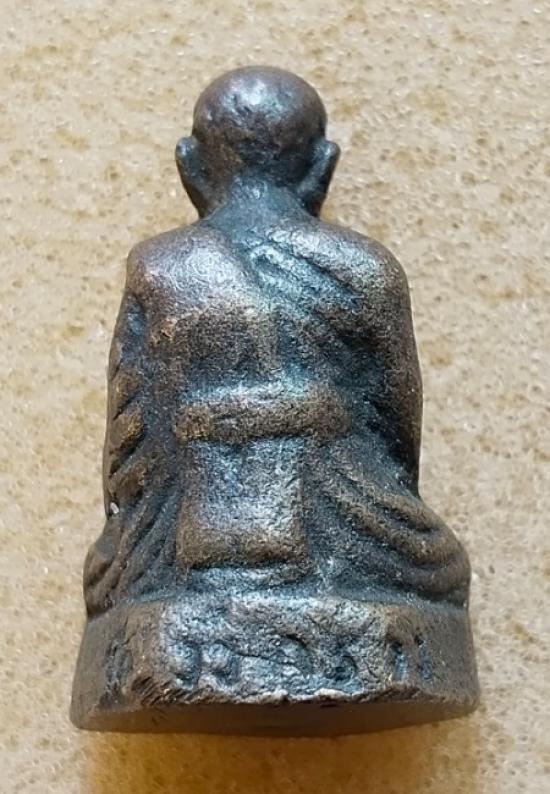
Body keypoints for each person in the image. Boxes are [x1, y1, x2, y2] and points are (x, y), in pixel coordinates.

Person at [84, 66, 469, 617]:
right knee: (443, 568)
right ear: (324, 166)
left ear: (188, 166)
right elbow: (397, 445)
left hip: (177, 534)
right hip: (345, 524)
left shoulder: (157, 267)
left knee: (112, 570)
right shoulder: (367, 268)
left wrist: (127, 534)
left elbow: (127, 447)